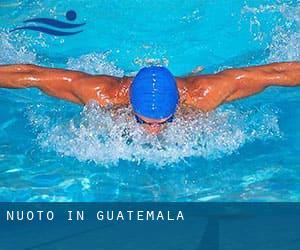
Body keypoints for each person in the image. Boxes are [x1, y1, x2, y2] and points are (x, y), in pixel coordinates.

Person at [0, 62, 299, 134]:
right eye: (143, 121)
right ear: (130, 105)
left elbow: (273, 74)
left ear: (176, 108)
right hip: (117, 85)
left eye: (163, 122)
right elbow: (31, 75)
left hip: (191, 84)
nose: (153, 131)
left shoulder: (204, 94)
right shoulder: (101, 93)